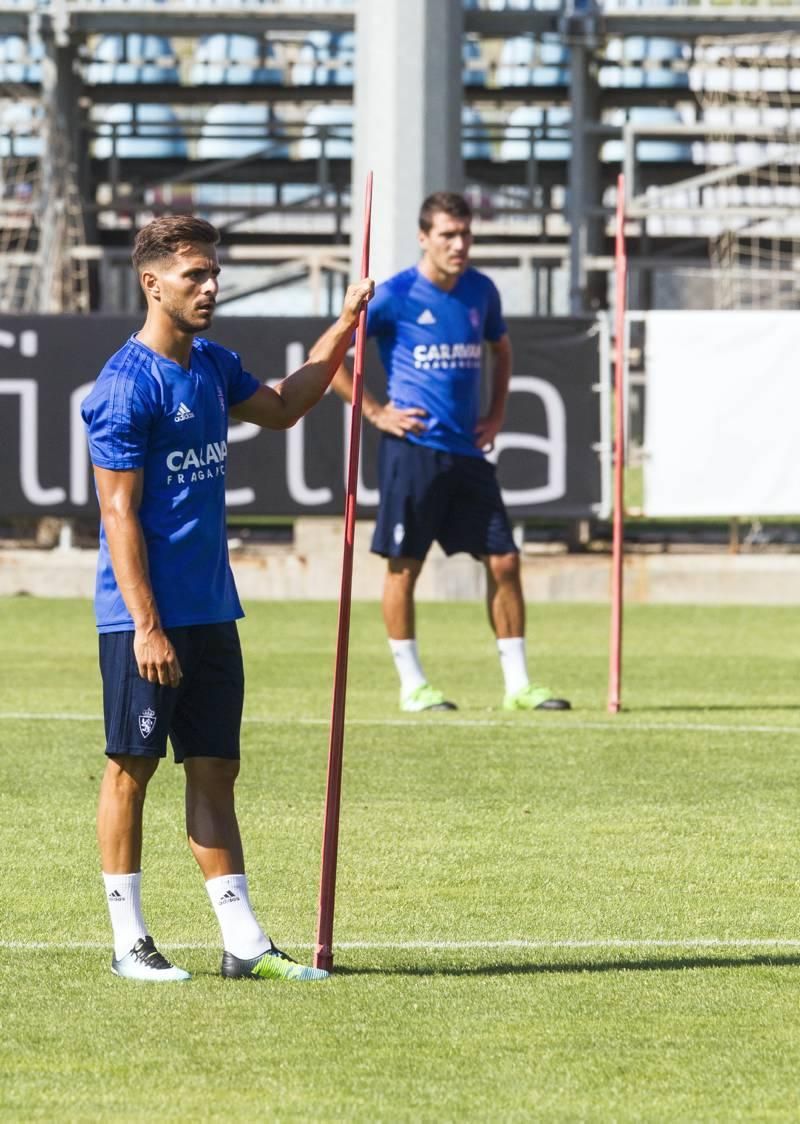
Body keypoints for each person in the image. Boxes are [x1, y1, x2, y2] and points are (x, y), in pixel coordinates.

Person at [81, 214, 373, 982]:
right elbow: (117, 516)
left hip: (213, 610)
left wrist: (343, 327)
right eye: (194, 276)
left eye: (214, 273)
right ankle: (129, 942)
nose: (211, 287)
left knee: (214, 769)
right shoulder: (123, 387)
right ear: (152, 283)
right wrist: (147, 625)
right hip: (145, 620)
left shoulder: (210, 365)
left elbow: (281, 406)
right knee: (130, 770)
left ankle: (243, 943)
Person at [332, 191, 569, 714]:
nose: (459, 245)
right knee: (404, 568)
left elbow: (501, 349)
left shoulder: (481, 291)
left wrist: (498, 412)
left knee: (505, 560)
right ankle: (413, 685)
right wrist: (376, 412)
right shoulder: (393, 295)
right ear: (424, 238)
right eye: (448, 235)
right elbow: (326, 357)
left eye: (466, 234)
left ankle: (518, 685)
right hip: (412, 450)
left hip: (467, 452)